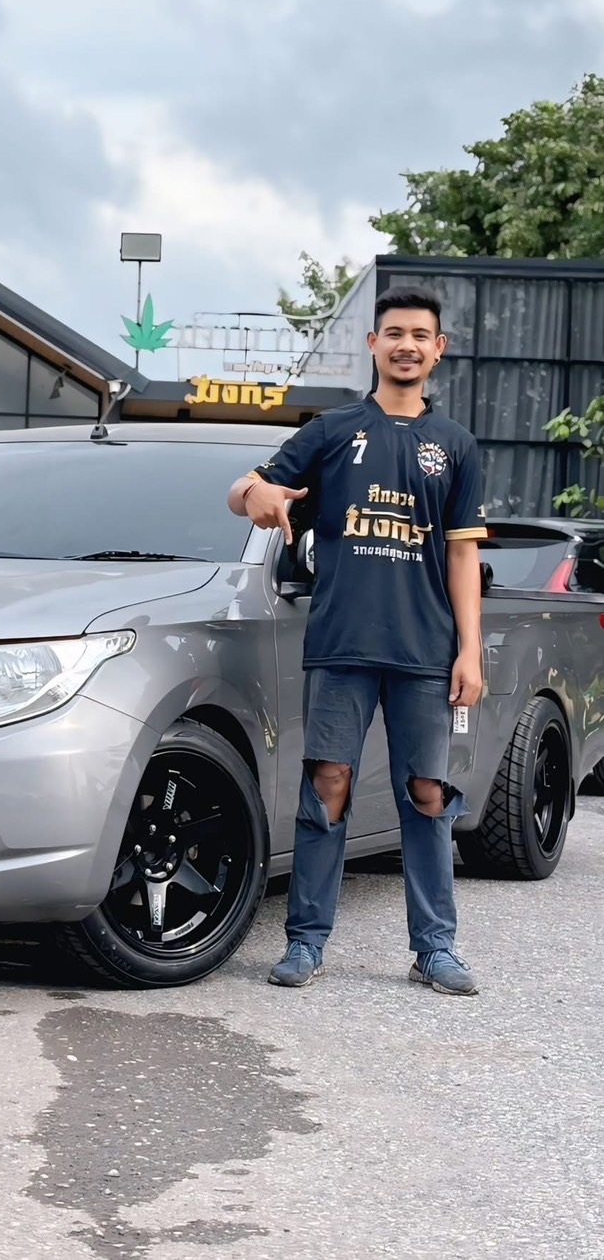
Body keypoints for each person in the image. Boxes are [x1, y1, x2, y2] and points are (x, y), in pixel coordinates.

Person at [227, 287, 487, 996]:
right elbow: (244, 490)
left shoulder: (456, 445)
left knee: (427, 792)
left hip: (424, 651)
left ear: (439, 349)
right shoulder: (333, 430)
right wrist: (256, 494)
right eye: (394, 333)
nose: (407, 345)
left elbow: (463, 553)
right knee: (328, 784)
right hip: (341, 645)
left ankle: (435, 947)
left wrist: (470, 649)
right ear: (373, 344)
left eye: (420, 335)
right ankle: (305, 941)